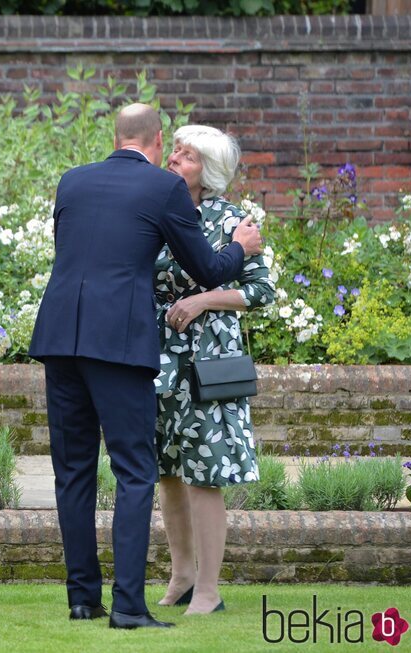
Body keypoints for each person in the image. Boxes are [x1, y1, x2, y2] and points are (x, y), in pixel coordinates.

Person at [28, 103, 264, 630]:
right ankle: (130, 606)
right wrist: (238, 248)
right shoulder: (164, 189)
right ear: (157, 139)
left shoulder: (73, 181)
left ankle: (83, 599)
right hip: (118, 343)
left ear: (116, 136)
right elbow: (206, 268)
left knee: (73, 473)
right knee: (135, 472)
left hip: (61, 337)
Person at [154, 125, 275, 615]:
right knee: (166, 470)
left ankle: (208, 589)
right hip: (158, 357)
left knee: (205, 473)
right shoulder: (156, 212)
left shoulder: (232, 221)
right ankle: (181, 575)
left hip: (209, 361)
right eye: (176, 150)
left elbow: (260, 291)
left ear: (211, 172)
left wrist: (204, 299)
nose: (176, 157)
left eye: (188, 155)